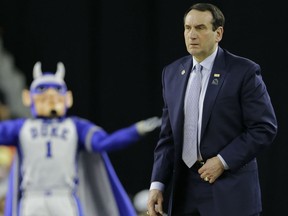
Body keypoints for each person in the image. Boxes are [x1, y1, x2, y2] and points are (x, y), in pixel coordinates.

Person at [147, 3, 277, 216]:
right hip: (184, 192)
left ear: (218, 33)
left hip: (229, 191)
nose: (192, 35)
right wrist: (157, 185)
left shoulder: (243, 72)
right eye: (187, 28)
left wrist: (223, 161)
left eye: (200, 28)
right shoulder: (171, 73)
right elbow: (167, 138)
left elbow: (264, 128)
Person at [0, 61, 161, 216]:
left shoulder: (75, 127)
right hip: (32, 196)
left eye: (56, 90)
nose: (50, 94)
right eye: (42, 90)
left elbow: (103, 142)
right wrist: (134, 131)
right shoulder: (22, 128)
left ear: (68, 98)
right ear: (28, 97)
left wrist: (135, 130)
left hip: (63, 196)